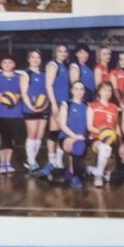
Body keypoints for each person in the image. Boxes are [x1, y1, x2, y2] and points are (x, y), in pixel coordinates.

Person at [0, 55, 28, 174]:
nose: (8, 64)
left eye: (10, 62)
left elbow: (23, 92)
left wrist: (17, 96)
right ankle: (1, 163)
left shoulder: (19, 77)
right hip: (0, 112)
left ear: (14, 64)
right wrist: (1, 95)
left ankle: (7, 163)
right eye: (5, 62)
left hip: (15, 112)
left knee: (11, 138)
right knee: (3, 138)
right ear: (1, 64)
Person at [41, 43, 72, 178]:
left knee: (60, 132)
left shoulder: (64, 66)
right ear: (55, 52)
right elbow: (48, 85)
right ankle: (52, 160)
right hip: (57, 103)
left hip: (64, 103)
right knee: (54, 132)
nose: (63, 53)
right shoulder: (53, 65)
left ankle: (57, 161)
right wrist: (53, 104)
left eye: (65, 51)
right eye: (60, 51)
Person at [57, 80, 90, 188]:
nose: (79, 91)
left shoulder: (87, 105)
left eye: (81, 89)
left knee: (80, 145)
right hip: (67, 138)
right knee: (78, 144)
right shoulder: (66, 104)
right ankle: (76, 178)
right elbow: (62, 125)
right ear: (72, 90)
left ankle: (69, 173)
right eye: (76, 89)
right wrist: (75, 136)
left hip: (81, 138)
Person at [89, 80, 122, 187]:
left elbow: (116, 127)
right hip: (96, 138)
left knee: (108, 173)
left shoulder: (113, 107)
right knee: (105, 148)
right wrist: (103, 131)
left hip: (112, 139)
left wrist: (121, 144)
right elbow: (89, 127)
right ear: (99, 91)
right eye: (104, 90)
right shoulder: (92, 106)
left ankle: (94, 170)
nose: (107, 93)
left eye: (109, 90)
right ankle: (98, 176)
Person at [23, 49, 50, 173]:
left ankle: (32, 160)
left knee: (39, 135)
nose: (36, 60)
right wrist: (31, 106)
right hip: (30, 108)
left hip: (43, 107)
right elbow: (24, 93)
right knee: (32, 134)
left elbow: (47, 93)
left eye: (38, 57)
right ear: (29, 59)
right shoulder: (26, 74)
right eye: (33, 57)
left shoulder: (44, 75)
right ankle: (32, 161)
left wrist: (44, 105)